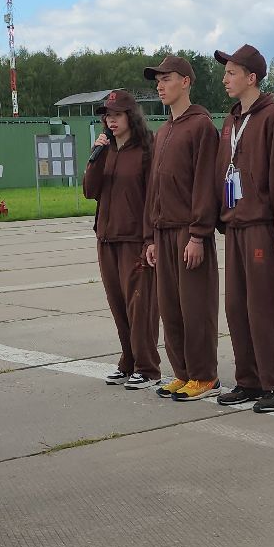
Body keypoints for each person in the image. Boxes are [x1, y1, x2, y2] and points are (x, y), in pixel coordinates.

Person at [212, 44, 274, 412]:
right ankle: (248, 380)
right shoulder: (230, 121)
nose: (225, 79)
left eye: (231, 73)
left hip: (262, 225)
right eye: (225, 73)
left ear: (251, 77)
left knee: (266, 307)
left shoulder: (271, 117)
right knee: (237, 307)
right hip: (235, 225)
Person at [143, 55, 223, 401]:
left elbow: (205, 183)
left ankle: (204, 375)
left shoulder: (201, 126)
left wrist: (198, 234)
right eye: (157, 81)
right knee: (171, 308)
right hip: (163, 232)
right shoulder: (162, 132)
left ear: (186, 82)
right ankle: (183, 372)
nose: (160, 86)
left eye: (167, 79)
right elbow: (153, 188)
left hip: (189, 233)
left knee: (195, 308)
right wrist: (150, 236)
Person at [82, 89, 160, 389]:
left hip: (134, 239)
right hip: (107, 238)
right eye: (107, 116)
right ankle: (128, 361)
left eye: (116, 115)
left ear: (131, 116)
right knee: (117, 304)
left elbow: (152, 197)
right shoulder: (107, 150)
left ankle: (147, 367)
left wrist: (150, 238)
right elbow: (90, 191)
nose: (111, 121)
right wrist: (96, 158)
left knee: (139, 306)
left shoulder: (145, 150)